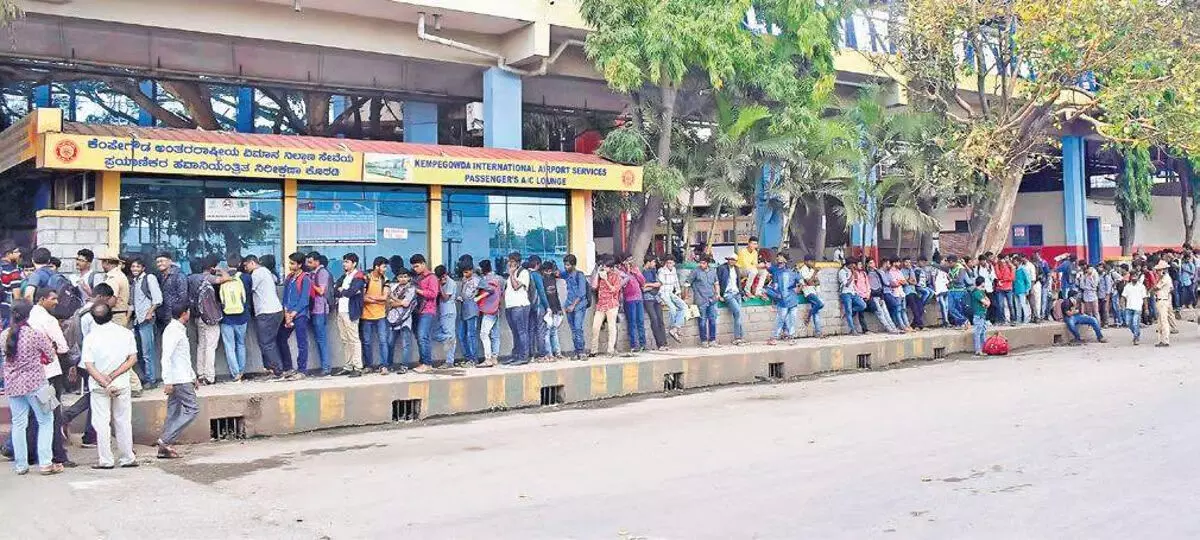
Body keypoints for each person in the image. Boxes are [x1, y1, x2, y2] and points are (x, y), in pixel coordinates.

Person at [2, 302, 60, 475]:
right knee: (47, 420)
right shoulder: (36, 334)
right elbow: (51, 357)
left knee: (19, 424)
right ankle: (45, 463)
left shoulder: (4, 335)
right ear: (29, 315)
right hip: (38, 384)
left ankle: (21, 465)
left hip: (13, 385)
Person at [80, 303, 139, 469]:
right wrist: (113, 377)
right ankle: (127, 457)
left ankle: (106, 460)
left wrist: (104, 381)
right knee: (123, 421)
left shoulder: (90, 338)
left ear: (93, 318)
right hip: (121, 384)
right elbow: (132, 359)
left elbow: (89, 365)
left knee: (101, 423)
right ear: (111, 315)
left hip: (99, 387)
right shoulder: (125, 333)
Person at [28, 288, 71, 467]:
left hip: (31, 374)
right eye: (52, 299)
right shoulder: (48, 320)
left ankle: (30, 453)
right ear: (41, 299)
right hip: (49, 374)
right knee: (52, 415)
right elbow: (63, 347)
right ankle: (57, 455)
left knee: (31, 415)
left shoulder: (29, 317)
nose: (56, 302)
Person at [156, 304, 198, 459]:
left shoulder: (178, 329)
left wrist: (192, 376)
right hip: (179, 379)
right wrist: (167, 380)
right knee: (192, 409)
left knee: (173, 412)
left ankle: (164, 448)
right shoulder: (173, 331)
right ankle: (165, 440)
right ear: (184, 313)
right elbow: (166, 356)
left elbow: (184, 357)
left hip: (181, 377)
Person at [188, 255, 227, 385]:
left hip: (198, 316)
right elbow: (226, 279)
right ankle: (209, 376)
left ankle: (201, 373)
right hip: (209, 317)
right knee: (210, 346)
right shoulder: (207, 277)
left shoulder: (190, 278)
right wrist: (221, 271)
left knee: (201, 346)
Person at [245, 255, 286, 378]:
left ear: (252, 263)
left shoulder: (257, 273)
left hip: (267, 312)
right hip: (275, 310)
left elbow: (249, 290)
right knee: (269, 342)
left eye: (246, 265)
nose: (245, 268)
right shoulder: (266, 271)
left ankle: (277, 370)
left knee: (266, 343)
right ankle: (271, 369)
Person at [279, 252, 313, 380]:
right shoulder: (289, 278)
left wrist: (293, 314)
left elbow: (304, 300)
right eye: (290, 262)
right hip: (289, 313)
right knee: (281, 338)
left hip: (300, 315)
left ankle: (302, 370)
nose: (290, 265)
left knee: (302, 342)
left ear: (299, 265)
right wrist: (286, 312)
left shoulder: (305, 278)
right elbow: (285, 297)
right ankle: (288, 367)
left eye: (292, 263)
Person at [128, 256, 161, 388]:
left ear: (143, 268)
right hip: (138, 320)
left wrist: (149, 312)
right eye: (133, 267)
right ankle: (146, 377)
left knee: (148, 352)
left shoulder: (149, 278)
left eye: (137, 266)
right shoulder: (135, 281)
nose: (135, 269)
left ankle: (151, 380)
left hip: (146, 320)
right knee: (140, 352)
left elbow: (158, 299)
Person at [218, 258, 251, 381]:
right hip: (242, 316)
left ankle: (235, 373)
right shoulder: (245, 278)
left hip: (226, 318)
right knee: (241, 344)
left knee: (229, 346)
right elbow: (247, 297)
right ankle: (242, 371)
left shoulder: (222, 280)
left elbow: (220, 300)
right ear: (239, 264)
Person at [334, 253, 366, 377]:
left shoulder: (358, 276)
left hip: (351, 311)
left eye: (347, 262)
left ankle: (358, 367)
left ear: (354, 263)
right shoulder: (344, 276)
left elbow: (352, 292)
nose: (344, 264)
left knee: (353, 339)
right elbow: (335, 290)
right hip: (341, 310)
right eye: (344, 261)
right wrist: (343, 291)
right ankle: (348, 365)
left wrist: (344, 291)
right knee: (345, 339)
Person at [305, 252, 335, 376]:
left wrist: (309, 281)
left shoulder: (322, 273)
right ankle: (324, 366)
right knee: (318, 339)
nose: (308, 264)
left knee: (322, 339)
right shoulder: (313, 273)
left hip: (320, 309)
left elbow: (321, 291)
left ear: (317, 262)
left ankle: (326, 367)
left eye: (311, 262)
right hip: (314, 309)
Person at [589, 255, 625, 356]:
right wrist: (598, 274)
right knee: (595, 327)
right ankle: (594, 350)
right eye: (603, 266)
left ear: (611, 267)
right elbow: (594, 286)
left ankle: (610, 350)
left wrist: (605, 279)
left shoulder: (616, 276)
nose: (604, 268)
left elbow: (614, 290)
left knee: (611, 327)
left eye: (606, 266)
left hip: (612, 304)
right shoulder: (600, 274)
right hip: (601, 305)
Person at [360, 257, 391, 374]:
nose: (385, 269)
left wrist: (371, 298)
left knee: (383, 341)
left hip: (380, 315)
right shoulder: (366, 278)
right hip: (366, 315)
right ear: (376, 266)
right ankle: (368, 365)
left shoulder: (385, 279)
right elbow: (362, 298)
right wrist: (376, 300)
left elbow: (385, 297)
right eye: (383, 266)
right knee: (366, 342)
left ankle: (384, 366)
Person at [385, 269, 417, 372]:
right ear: (397, 278)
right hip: (392, 320)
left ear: (408, 278)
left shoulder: (411, 289)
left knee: (405, 344)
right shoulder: (394, 287)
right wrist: (399, 302)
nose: (402, 279)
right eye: (400, 277)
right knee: (390, 343)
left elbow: (406, 304)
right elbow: (388, 302)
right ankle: (388, 365)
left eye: (405, 276)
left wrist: (393, 298)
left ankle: (404, 366)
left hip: (405, 320)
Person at [504, 252, 533, 365]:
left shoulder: (523, 272)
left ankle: (524, 356)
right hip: (510, 306)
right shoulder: (512, 273)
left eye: (512, 261)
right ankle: (515, 355)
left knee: (522, 331)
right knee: (515, 332)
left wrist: (511, 274)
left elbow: (516, 287)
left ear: (518, 262)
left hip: (520, 306)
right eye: (509, 261)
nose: (510, 263)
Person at [411, 254, 439, 370]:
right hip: (417, 310)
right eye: (413, 267)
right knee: (419, 337)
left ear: (423, 264)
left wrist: (418, 291)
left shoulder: (431, 277)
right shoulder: (416, 278)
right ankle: (423, 362)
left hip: (428, 310)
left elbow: (433, 294)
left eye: (417, 266)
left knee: (423, 336)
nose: (415, 269)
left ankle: (427, 363)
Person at [766, 253, 800, 345]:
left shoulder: (777, 272)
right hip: (792, 299)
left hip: (784, 299)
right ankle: (791, 338)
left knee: (781, 319)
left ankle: (774, 338)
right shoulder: (793, 272)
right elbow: (801, 283)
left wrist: (774, 294)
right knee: (790, 319)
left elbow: (775, 287)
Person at [685, 255, 719, 347]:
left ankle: (712, 340)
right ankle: (703, 340)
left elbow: (716, 283)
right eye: (700, 263)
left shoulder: (712, 271)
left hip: (711, 298)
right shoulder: (695, 271)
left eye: (703, 263)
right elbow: (687, 283)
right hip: (700, 299)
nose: (701, 265)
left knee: (712, 320)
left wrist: (717, 294)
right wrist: (686, 296)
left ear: (707, 263)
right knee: (702, 321)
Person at [562, 254, 591, 359]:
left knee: (578, 328)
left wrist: (573, 306)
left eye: (568, 265)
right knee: (573, 329)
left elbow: (581, 293)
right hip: (569, 306)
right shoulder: (566, 274)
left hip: (579, 306)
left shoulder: (580, 276)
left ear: (573, 265)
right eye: (565, 265)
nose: (566, 267)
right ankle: (576, 351)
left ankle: (581, 351)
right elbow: (558, 274)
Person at [475, 260, 504, 366]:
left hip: (488, 309)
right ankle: (495, 358)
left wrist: (478, 298)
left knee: (484, 333)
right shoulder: (500, 279)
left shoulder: (485, 279)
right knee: (495, 334)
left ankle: (488, 359)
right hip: (497, 308)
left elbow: (489, 290)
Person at [154, 252, 189, 334]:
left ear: (170, 261)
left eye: (162, 261)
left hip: (175, 318)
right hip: (162, 318)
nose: (159, 264)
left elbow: (183, 297)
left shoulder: (179, 275)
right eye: (158, 262)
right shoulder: (160, 276)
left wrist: (177, 315)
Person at [620, 254, 648, 353]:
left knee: (640, 321)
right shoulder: (621, 271)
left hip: (639, 298)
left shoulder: (635, 269)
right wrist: (627, 271)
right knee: (632, 323)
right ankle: (634, 345)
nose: (631, 262)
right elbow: (623, 284)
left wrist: (637, 273)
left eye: (632, 259)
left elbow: (643, 282)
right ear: (623, 262)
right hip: (629, 299)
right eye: (628, 260)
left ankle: (643, 344)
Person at [717, 254, 747, 345]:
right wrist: (719, 294)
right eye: (730, 259)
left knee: (738, 315)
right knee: (737, 312)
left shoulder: (737, 269)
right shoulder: (722, 268)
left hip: (737, 293)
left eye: (733, 260)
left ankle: (740, 337)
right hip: (728, 294)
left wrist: (742, 293)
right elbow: (717, 281)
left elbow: (738, 282)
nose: (731, 261)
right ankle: (738, 337)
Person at [98, 250, 132, 329]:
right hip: (120, 316)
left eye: (102, 262)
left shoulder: (113, 277)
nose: (102, 265)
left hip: (115, 317)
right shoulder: (120, 275)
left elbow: (112, 300)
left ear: (106, 262)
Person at [456, 261, 481, 366]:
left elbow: (490, 290)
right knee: (461, 335)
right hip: (463, 309)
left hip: (472, 310)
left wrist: (478, 297)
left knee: (471, 335)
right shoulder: (464, 280)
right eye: (463, 272)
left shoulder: (477, 280)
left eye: (466, 272)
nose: (464, 274)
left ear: (471, 270)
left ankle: (474, 359)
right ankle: (467, 357)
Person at [433, 265, 459, 364]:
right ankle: (448, 338)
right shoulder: (441, 281)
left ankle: (449, 361)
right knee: (435, 334)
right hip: (442, 312)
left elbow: (445, 298)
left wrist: (439, 285)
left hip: (448, 312)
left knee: (450, 336)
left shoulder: (450, 283)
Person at [640, 257, 668, 351]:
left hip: (656, 298)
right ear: (648, 262)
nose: (655, 264)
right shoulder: (642, 272)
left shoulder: (653, 271)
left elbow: (659, 283)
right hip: (648, 299)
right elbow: (643, 289)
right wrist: (652, 286)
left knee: (660, 320)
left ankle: (665, 343)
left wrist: (649, 285)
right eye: (653, 262)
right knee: (654, 320)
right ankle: (659, 344)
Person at [657, 256, 686, 343]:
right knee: (672, 308)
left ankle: (676, 328)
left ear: (673, 263)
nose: (670, 264)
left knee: (683, 306)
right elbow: (660, 284)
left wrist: (678, 293)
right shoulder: (661, 271)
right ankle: (673, 328)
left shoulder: (674, 270)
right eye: (668, 263)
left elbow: (676, 282)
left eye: (671, 263)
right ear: (666, 263)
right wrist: (661, 298)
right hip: (663, 293)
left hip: (671, 292)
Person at [526, 256, 550, 361]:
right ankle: (541, 354)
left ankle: (531, 354)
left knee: (531, 330)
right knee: (540, 330)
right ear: (538, 264)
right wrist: (547, 306)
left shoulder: (525, 274)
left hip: (528, 306)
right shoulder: (536, 275)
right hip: (538, 306)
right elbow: (541, 291)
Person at [837, 258, 866, 335]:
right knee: (849, 310)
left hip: (853, 293)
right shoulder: (842, 272)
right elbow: (846, 284)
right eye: (853, 264)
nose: (854, 266)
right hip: (845, 293)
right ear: (849, 264)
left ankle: (848, 313)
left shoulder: (851, 271)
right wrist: (852, 275)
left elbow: (854, 283)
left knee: (862, 305)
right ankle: (853, 329)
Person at [798, 255, 824, 337]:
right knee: (820, 304)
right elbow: (809, 282)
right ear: (805, 262)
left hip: (814, 291)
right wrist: (815, 274)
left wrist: (813, 280)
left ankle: (818, 332)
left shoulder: (812, 270)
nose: (812, 263)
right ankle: (808, 315)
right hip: (808, 292)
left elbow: (817, 282)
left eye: (813, 261)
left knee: (816, 312)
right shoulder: (803, 269)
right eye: (810, 261)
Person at [1152, 260, 1174, 347]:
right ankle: (1161, 340)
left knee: (1163, 321)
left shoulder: (1165, 278)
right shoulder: (1165, 278)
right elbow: (1171, 289)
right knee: (1160, 322)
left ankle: (1165, 340)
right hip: (1163, 300)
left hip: (1163, 300)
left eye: (1159, 270)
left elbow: (1156, 288)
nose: (1157, 272)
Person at [1122, 271, 1147, 345]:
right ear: (1130, 277)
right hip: (1129, 307)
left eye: (1135, 276)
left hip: (1138, 308)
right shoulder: (1127, 286)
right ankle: (1137, 333)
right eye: (1133, 276)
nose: (1134, 277)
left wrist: (1146, 308)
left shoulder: (1141, 286)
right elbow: (1123, 296)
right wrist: (1121, 305)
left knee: (1135, 323)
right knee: (1128, 323)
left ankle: (1135, 337)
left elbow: (1145, 298)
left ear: (1138, 277)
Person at [0, 245, 22, 329]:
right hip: (6, 310)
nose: (19, 254)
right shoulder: (12, 270)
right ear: (8, 254)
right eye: (17, 252)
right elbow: (17, 295)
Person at [969, 276, 990, 356]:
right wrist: (986, 302)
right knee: (978, 333)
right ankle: (978, 350)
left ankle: (984, 349)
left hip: (982, 314)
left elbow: (988, 302)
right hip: (978, 315)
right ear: (982, 283)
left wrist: (986, 302)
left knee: (983, 332)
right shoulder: (977, 292)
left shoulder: (981, 292)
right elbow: (986, 302)